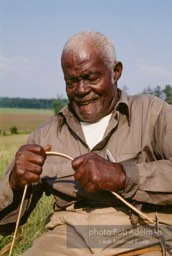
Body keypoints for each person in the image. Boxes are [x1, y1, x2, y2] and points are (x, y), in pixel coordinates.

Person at [0, 31, 172, 256]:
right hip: (68, 235)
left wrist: (123, 175)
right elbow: (5, 225)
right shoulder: (46, 135)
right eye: (71, 81)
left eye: (91, 77)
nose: (81, 90)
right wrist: (14, 182)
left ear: (116, 72)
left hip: (142, 232)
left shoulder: (153, 113)